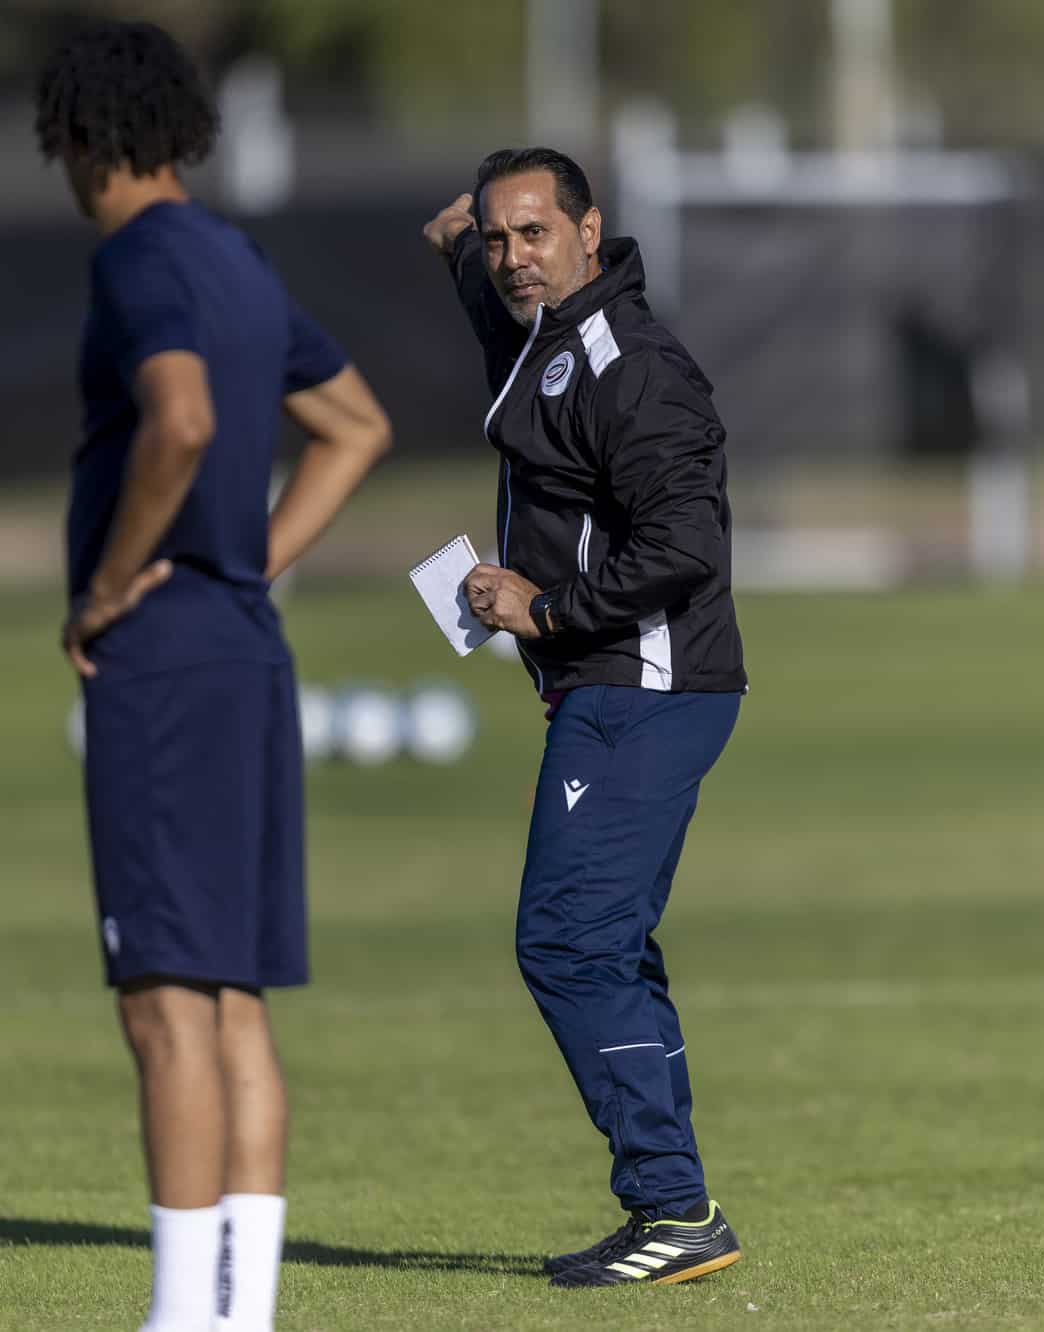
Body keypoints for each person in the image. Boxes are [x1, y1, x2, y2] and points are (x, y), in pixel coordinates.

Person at [35, 22, 393, 1332]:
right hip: (247, 652)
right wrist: (251, 559)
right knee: (231, 1002)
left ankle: (184, 1321)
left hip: (170, 666)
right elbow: (358, 427)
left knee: (165, 1009)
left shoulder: (138, 258)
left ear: (78, 138)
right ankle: (238, 1322)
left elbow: (179, 420)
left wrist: (112, 581)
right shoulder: (237, 259)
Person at [422, 148, 748, 1289]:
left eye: (534, 234)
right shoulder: (545, 333)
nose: (515, 258)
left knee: (566, 943)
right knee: (603, 945)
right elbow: (498, 312)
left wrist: (545, 607)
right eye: (500, 237)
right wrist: (465, 252)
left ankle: (672, 1206)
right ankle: (671, 1206)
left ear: (589, 229)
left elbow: (684, 545)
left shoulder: (631, 363)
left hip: (643, 686)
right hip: (604, 687)